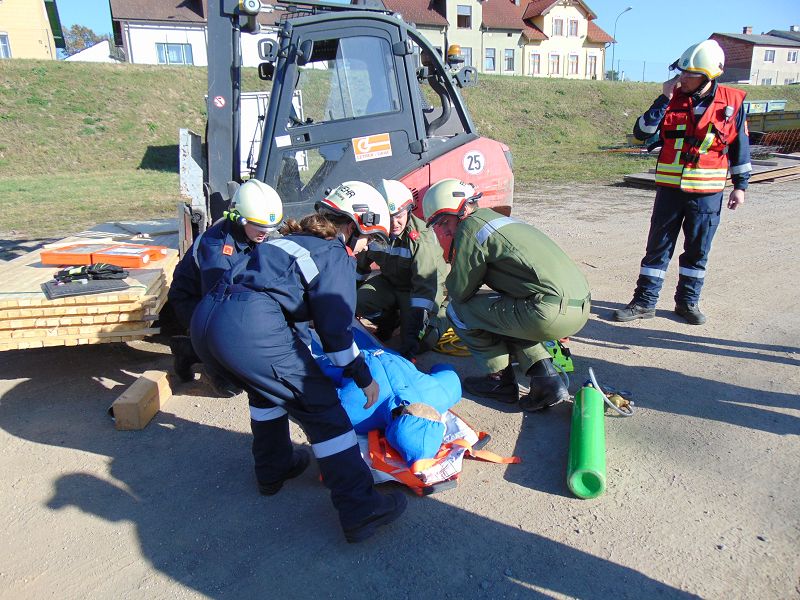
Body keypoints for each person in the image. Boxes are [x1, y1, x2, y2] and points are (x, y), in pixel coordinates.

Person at [189, 181, 407, 543]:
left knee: (266, 391)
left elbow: (289, 319)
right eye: (370, 238)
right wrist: (362, 375)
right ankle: (360, 508)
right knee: (325, 412)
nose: (367, 248)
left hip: (209, 322)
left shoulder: (286, 240)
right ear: (354, 225)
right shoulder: (333, 253)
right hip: (249, 328)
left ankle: (274, 468)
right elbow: (336, 331)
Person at [422, 179, 591, 412]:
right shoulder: (495, 220)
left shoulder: (471, 229)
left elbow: (460, 291)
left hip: (547, 312)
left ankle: (499, 380)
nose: (444, 230)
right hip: (577, 308)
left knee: (458, 310)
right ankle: (546, 380)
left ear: (459, 211)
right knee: (504, 312)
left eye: (444, 222)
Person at [614, 39, 751, 326]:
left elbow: (740, 147)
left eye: (689, 74)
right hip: (670, 190)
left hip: (707, 193)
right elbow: (642, 132)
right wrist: (663, 99)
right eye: (681, 72)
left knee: (698, 250)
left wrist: (740, 185)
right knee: (657, 247)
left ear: (708, 75)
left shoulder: (732, 103)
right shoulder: (671, 98)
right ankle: (644, 302)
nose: (682, 78)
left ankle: (687, 302)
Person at [167, 179, 282, 395]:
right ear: (240, 219)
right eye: (260, 227)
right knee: (231, 380)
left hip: (220, 294)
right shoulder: (218, 252)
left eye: (269, 228)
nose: (265, 233)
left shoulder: (252, 231)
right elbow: (219, 308)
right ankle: (192, 352)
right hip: (196, 301)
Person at [356, 179, 449, 360]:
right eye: (388, 216)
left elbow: (424, 288)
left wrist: (414, 333)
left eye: (399, 215)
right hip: (392, 283)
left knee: (422, 342)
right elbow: (359, 269)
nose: (394, 223)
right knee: (358, 301)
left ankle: (445, 314)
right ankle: (392, 321)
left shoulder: (420, 238)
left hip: (423, 291)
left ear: (408, 210)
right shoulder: (373, 231)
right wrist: (345, 303)